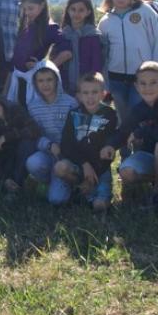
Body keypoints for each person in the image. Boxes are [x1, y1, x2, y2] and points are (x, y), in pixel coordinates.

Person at [100, 61, 158, 207]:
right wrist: (110, 145)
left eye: (153, 83)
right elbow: (124, 131)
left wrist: (140, 132)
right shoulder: (138, 109)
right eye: (143, 83)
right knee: (126, 172)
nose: (148, 88)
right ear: (136, 86)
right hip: (151, 156)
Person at [97, 0, 158, 139]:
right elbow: (103, 54)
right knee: (123, 119)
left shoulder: (146, 12)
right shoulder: (105, 22)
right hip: (116, 79)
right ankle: (125, 151)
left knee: (140, 117)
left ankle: (142, 149)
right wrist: (105, 82)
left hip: (142, 78)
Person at [53, 72, 118, 211]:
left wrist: (94, 171)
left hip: (100, 169)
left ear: (103, 94)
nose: (90, 97)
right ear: (79, 95)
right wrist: (84, 164)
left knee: (99, 206)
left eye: (95, 92)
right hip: (79, 166)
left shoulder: (110, 114)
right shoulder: (73, 114)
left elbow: (110, 146)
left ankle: (94, 193)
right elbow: (66, 145)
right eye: (86, 93)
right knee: (60, 167)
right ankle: (79, 187)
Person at [7, 0, 72, 105]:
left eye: (30, 8)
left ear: (42, 5)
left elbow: (67, 52)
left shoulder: (50, 28)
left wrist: (43, 68)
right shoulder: (26, 24)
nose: (27, 12)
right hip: (17, 79)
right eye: (24, 9)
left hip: (32, 82)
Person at [25, 62, 78, 204]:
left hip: (67, 155)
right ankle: (48, 181)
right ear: (35, 83)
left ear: (57, 80)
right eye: (40, 81)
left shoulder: (71, 103)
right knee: (33, 163)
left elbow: (78, 132)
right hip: (48, 152)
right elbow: (35, 135)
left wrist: (64, 150)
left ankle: (71, 182)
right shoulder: (33, 107)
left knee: (57, 200)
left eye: (49, 79)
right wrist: (49, 145)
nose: (45, 84)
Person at [0, 87, 41, 196]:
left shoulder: (15, 109)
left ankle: (16, 183)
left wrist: (7, 137)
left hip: (21, 156)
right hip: (5, 163)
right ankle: (8, 185)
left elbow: (34, 129)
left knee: (27, 143)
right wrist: (4, 179)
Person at [59, 0, 105, 95]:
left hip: (87, 90)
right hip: (65, 87)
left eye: (81, 10)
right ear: (68, 10)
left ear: (88, 12)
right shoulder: (63, 35)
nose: (76, 13)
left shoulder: (93, 36)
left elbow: (96, 65)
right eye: (73, 9)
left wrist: (91, 87)